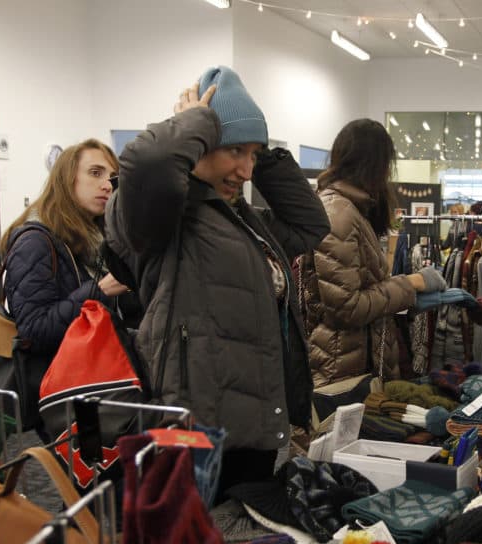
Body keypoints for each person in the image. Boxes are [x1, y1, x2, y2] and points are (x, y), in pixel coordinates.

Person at [105, 66, 330, 493]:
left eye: (254, 155)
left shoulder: (240, 218)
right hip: (199, 427)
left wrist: (267, 156)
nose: (245, 170)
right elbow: (147, 162)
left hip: (254, 423)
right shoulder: (162, 218)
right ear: (201, 143)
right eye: (234, 152)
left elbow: (310, 225)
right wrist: (194, 122)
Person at [300, 118, 447, 386]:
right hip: (342, 369)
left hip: (355, 361)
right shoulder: (339, 214)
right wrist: (410, 285)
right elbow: (346, 307)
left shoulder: (352, 210)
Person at [1, 139, 130, 429]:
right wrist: (100, 291)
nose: (107, 185)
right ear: (66, 178)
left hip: (88, 386)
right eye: (95, 173)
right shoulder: (35, 241)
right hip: (59, 395)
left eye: (111, 177)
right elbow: (33, 330)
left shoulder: (93, 241)